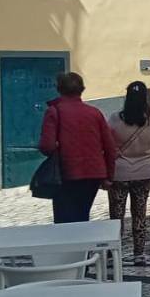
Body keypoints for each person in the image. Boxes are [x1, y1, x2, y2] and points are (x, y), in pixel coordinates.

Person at [38, 72, 116, 224]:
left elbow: (46, 146)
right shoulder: (95, 113)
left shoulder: (54, 112)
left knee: (64, 220)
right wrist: (109, 176)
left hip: (66, 173)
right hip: (93, 173)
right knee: (82, 215)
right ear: (82, 89)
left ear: (59, 89)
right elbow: (110, 147)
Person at [108, 82, 150, 263]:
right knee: (139, 213)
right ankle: (139, 253)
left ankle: (113, 255)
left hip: (120, 173)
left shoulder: (115, 119)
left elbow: (106, 143)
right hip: (144, 172)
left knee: (116, 215)